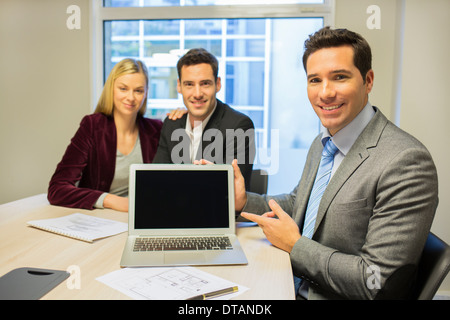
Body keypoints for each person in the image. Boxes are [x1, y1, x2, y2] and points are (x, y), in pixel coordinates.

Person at [234, 27, 438, 299]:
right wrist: (243, 201)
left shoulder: (406, 161)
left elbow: (376, 280)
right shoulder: (324, 143)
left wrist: (295, 246)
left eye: (339, 77)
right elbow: (300, 205)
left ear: (368, 81)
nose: (325, 93)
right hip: (286, 283)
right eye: (315, 80)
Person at [47, 58, 185, 212]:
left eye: (138, 90)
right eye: (123, 88)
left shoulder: (156, 129)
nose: (131, 97)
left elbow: (178, 181)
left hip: (144, 215)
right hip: (101, 219)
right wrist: (110, 200)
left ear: (146, 93)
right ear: (111, 88)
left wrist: (188, 119)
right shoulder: (92, 126)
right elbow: (57, 189)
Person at [153, 48, 255, 189]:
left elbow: (230, 190)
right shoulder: (172, 124)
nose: (197, 93)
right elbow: (156, 181)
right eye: (189, 84)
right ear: (179, 86)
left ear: (217, 84)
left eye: (205, 83)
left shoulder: (239, 126)